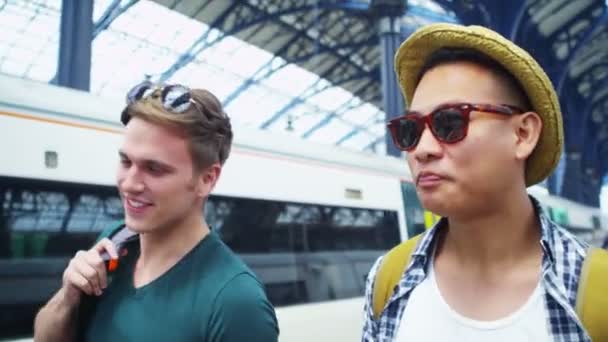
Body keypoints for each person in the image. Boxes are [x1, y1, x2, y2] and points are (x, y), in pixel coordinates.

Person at [361, 23, 605, 341]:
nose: (422, 149)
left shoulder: (598, 292)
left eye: (450, 122)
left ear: (523, 134)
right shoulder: (387, 279)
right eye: (410, 129)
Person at [34, 82, 279, 341]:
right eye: (126, 161)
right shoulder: (114, 244)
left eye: (154, 169)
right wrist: (69, 297)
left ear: (207, 179)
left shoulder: (236, 302)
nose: (129, 183)